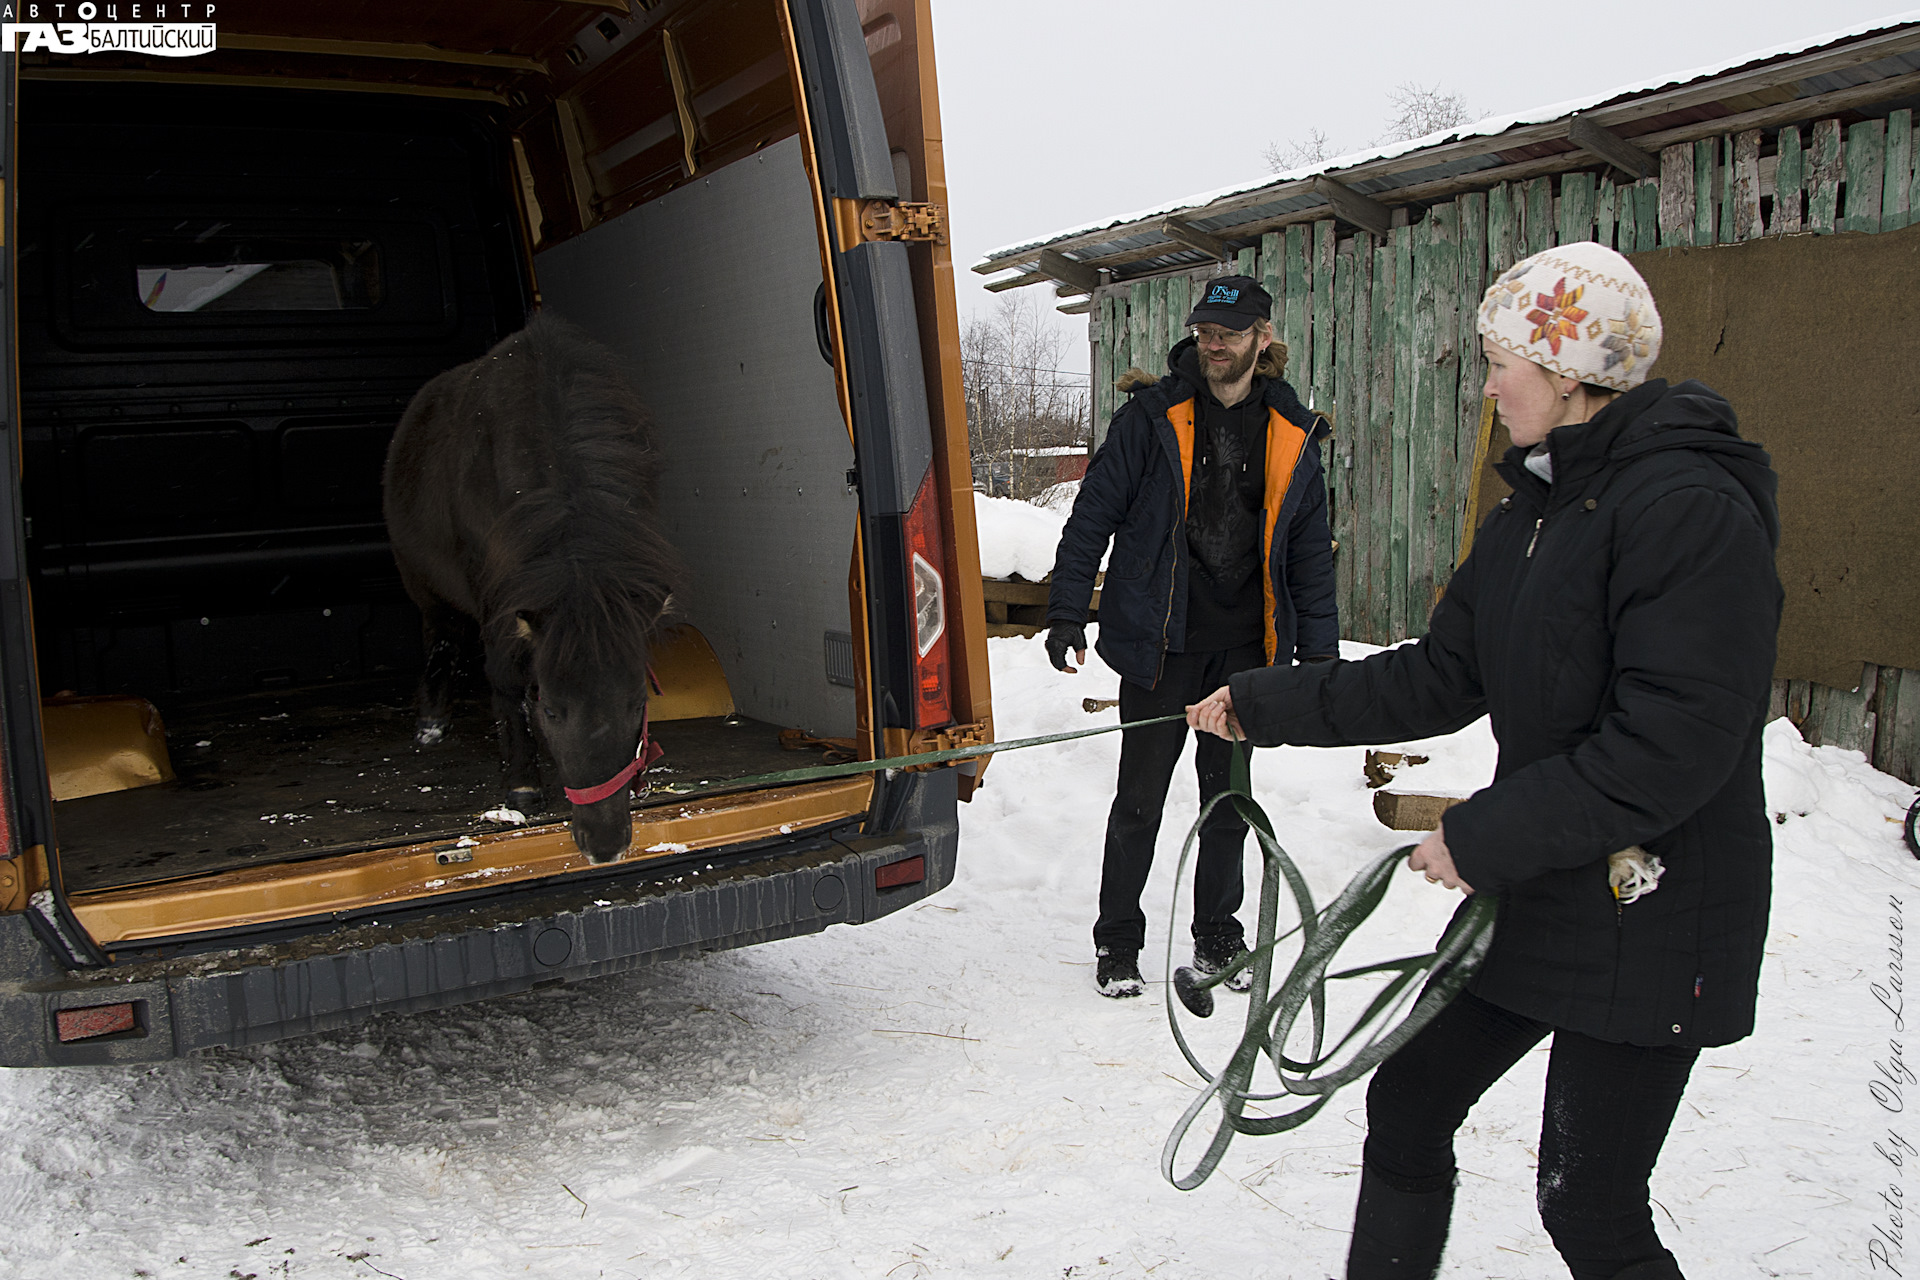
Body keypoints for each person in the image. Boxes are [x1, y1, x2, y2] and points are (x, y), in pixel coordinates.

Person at [1187, 241, 1780, 1280]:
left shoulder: (1688, 509)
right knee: (1410, 1098)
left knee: (1588, 1202)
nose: (1492, 380)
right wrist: (1262, 697)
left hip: (1657, 902)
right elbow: (1434, 676)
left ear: (1570, 370)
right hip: (1553, 886)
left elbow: (1673, 744)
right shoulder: (1534, 514)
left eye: (1506, 358)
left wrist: (1484, 832)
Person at [1044, 275, 1338, 999]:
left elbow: (1309, 555)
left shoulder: (1291, 431)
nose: (1212, 346)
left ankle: (1217, 935)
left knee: (1228, 803)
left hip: (1243, 653)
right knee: (1138, 801)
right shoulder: (1152, 417)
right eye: (1205, 332)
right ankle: (1117, 942)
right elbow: (1093, 517)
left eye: (1229, 335)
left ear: (1262, 340)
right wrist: (1065, 610)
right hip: (1160, 644)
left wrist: (1321, 663)